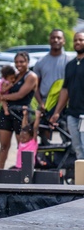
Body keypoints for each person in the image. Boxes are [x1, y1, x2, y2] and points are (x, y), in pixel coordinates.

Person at [0, 51, 38, 169]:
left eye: (22, 62)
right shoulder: (14, 76)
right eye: (16, 62)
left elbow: (20, 95)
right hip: (7, 112)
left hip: (21, 113)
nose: (19, 64)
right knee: (3, 145)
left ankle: (23, 172)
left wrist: (2, 97)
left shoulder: (31, 76)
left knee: (22, 145)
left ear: (28, 62)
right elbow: (1, 88)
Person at [49, 32, 84, 165]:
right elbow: (65, 90)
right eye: (75, 40)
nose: (78, 42)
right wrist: (57, 112)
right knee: (77, 149)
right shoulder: (70, 65)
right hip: (72, 114)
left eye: (81, 40)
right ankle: (81, 181)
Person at [34, 29, 72, 125]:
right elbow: (35, 86)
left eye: (59, 38)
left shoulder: (70, 62)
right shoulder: (40, 62)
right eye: (53, 37)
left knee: (67, 136)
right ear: (49, 40)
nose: (55, 40)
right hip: (46, 105)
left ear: (64, 41)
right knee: (44, 135)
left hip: (65, 105)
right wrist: (40, 103)